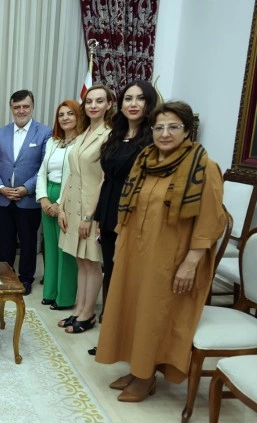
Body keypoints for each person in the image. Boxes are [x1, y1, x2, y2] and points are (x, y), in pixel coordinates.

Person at [95, 101, 226, 402]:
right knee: (132, 309)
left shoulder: (203, 167)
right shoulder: (146, 161)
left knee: (154, 314)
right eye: (159, 127)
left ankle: (146, 376)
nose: (165, 133)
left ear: (187, 131)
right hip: (136, 252)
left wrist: (191, 262)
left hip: (172, 258)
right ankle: (136, 367)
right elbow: (129, 208)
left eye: (173, 127)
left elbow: (211, 221)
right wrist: (121, 246)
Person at [93, 80, 158, 320]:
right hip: (109, 212)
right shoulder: (115, 136)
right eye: (128, 99)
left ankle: (125, 323)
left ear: (149, 103)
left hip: (132, 215)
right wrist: (98, 217)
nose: (133, 104)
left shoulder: (152, 139)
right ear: (120, 105)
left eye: (140, 98)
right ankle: (110, 321)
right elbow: (106, 179)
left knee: (128, 273)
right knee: (110, 269)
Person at [57, 84, 114, 334]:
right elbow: (72, 174)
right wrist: (61, 207)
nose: (93, 105)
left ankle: (89, 313)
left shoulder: (109, 136)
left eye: (99, 101)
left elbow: (104, 179)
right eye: (89, 101)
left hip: (91, 209)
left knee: (92, 261)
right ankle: (79, 308)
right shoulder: (82, 135)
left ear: (109, 105)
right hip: (72, 205)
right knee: (80, 259)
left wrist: (90, 216)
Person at [0, 90, 52, 295]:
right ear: (11, 108)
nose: (21, 110)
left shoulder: (45, 132)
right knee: (5, 242)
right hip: (3, 198)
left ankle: (25, 279)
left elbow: (44, 167)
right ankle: (6, 277)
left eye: (25, 106)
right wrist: (0, 188)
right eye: (17, 107)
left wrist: (26, 188)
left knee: (28, 242)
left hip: (29, 199)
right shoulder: (1, 133)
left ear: (32, 107)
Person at [35, 99, 82, 310]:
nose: (65, 118)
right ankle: (50, 292)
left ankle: (64, 298)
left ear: (78, 116)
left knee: (66, 248)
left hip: (69, 197)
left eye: (70, 114)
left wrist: (59, 204)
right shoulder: (52, 142)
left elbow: (75, 176)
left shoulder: (82, 142)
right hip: (48, 195)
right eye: (61, 115)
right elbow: (42, 172)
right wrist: (44, 198)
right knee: (51, 247)